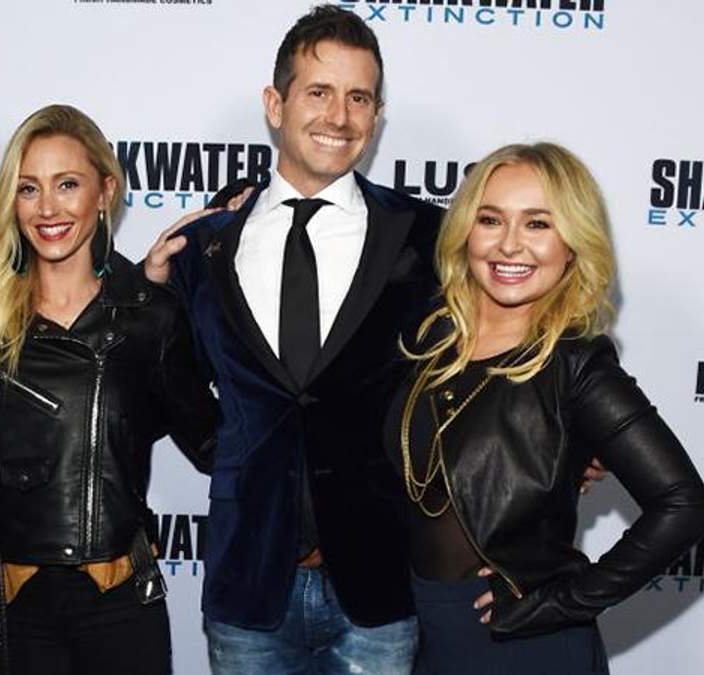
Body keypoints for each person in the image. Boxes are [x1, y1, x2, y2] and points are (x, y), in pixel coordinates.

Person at [144, 6, 441, 673]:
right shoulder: (203, 246)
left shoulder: (427, 236)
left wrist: (565, 438)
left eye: (358, 98)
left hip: (381, 587)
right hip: (248, 583)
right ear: (275, 105)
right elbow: (162, 379)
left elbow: (503, 342)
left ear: (377, 115)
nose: (339, 116)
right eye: (319, 92)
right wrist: (228, 450)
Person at [387, 142, 704, 674]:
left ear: (572, 245)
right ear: (465, 230)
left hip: (523, 643)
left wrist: (561, 602)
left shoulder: (576, 366)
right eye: (490, 219)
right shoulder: (429, 341)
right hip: (424, 632)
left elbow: (684, 506)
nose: (509, 244)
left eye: (538, 224)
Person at [0, 104, 221, 675]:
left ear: (105, 191)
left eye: (67, 184)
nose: (47, 208)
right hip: (19, 605)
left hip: (119, 601)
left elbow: (215, 446)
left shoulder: (150, 317)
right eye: (28, 188)